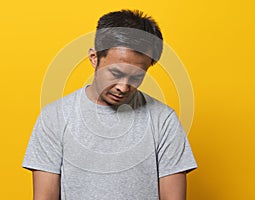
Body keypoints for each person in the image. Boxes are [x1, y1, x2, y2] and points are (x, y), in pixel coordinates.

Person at [23, 9, 197, 200]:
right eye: (115, 73)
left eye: (137, 77)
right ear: (94, 58)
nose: (123, 87)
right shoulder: (54, 117)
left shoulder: (163, 120)